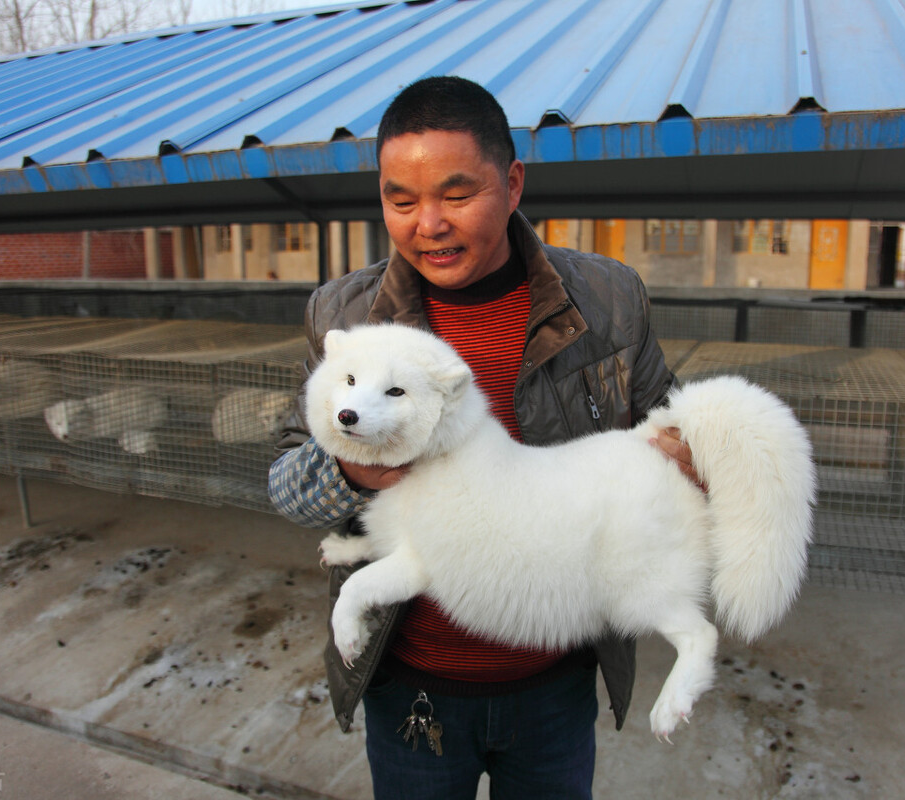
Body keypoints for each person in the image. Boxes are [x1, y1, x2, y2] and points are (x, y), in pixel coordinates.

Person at [269, 75, 694, 799]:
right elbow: (284, 482)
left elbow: (671, 431)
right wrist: (357, 472)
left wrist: (689, 457)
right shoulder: (345, 311)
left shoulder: (609, 302)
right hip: (411, 681)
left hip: (553, 680)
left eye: (456, 195)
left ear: (514, 181)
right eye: (400, 200)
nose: (426, 223)